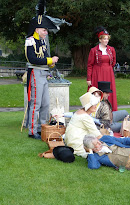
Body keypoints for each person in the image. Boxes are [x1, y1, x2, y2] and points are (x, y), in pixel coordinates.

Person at [25, 3, 59, 139]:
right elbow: (32, 58)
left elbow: (44, 58)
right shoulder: (30, 41)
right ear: (37, 29)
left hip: (44, 74)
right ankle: (32, 131)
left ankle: (42, 128)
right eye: (44, 30)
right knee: (36, 103)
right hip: (35, 73)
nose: (46, 32)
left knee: (45, 103)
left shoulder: (43, 42)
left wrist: (50, 64)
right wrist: (50, 61)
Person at [87, 26, 118, 111]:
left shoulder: (111, 49)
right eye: (104, 39)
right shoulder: (94, 50)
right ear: (100, 40)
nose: (106, 41)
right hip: (97, 74)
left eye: (107, 39)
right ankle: (95, 111)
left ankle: (109, 111)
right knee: (97, 92)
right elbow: (90, 65)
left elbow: (113, 62)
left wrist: (107, 69)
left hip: (108, 73)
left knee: (108, 92)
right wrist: (89, 78)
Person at [64, 92, 102, 158]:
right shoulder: (85, 117)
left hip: (70, 140)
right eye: (93, 104)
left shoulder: (79, 112)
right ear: (88, 106)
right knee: (100, 149)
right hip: (77, 143)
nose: (95, 106)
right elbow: (97, 134)